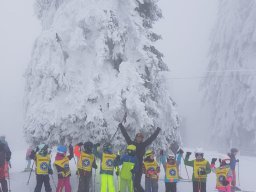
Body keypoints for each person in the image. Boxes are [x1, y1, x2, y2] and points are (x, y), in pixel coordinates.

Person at [119, 123, 161, 192]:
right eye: (138, 137)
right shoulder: (131, 144)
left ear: (142, 139)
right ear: (136, 137)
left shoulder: (143, 145)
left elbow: (151, 138)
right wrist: (121, 127)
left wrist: (157, 130)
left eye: (141, 138)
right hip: (131, 166)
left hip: (139, 167)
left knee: (137, 184)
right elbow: (126, 135)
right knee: (133, 184)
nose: (139, 139)